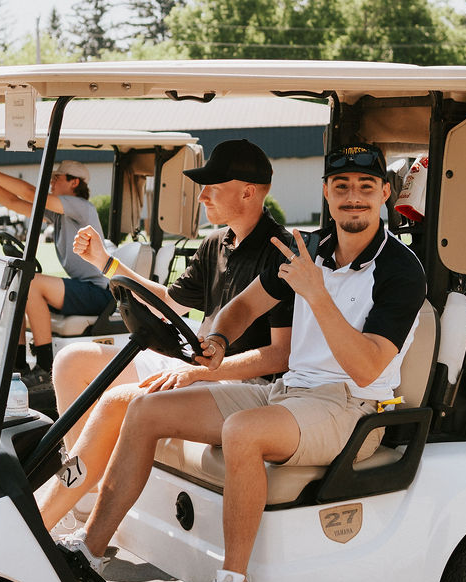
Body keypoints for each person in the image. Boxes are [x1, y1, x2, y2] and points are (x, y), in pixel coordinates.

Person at [62, 142, 426, 582]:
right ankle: (89, 552)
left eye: (366, 187)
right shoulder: (306, 250)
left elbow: (366, 365)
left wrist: (316, 293)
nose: (353, 198)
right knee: (145, 409)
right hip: (289, 392)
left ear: (385, 193)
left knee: (242, 432)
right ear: (326, 192)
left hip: (353, 406)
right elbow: (242, 307)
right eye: (341, 186)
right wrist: (217, 341)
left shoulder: (401, 270)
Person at [36, 139, 292, 533]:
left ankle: (53, 518)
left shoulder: (281, 253)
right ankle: (83, 496)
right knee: (72, 361)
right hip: (195, 362)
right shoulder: (216, 243)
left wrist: (199, 372)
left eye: (213, 188)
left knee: (120, 401)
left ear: (248, 192)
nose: (202, 197)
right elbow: (169, 303)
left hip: (238, 380)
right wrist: (105, 262)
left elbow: (279, 356)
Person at [0, 151, 107, 376]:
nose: (52, 182)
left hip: (98, 293)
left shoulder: (81, 207)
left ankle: (46, 368)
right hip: (83, 289)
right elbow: (13, 202)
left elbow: (30, 193)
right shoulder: (60, 215)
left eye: (57, 178)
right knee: (18, 284)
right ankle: (18, 363)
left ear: (74, 182)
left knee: (32, 282)